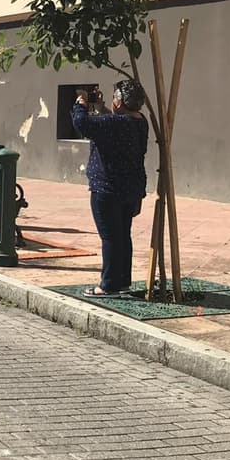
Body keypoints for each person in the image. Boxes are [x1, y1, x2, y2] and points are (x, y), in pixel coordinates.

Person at [71, 79, 149, 297]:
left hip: (107, 188)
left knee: (110, 237)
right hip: (130, 188)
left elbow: (82, 124)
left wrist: (81, 103)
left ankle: (109, 285)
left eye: (115, 96)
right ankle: (123, 281)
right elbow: (111, 123)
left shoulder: (114, 124)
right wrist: (101, 108)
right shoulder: (140, 122)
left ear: (121, 101)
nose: (113, 100)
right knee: (123, 234)